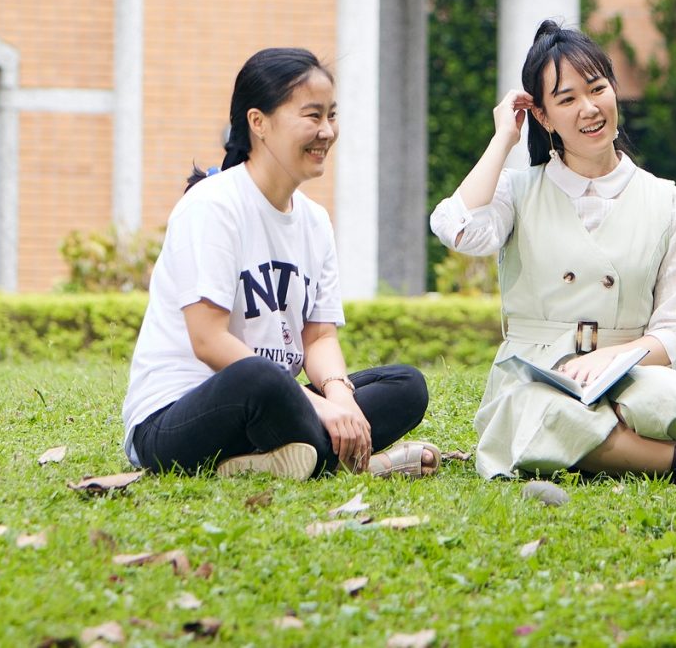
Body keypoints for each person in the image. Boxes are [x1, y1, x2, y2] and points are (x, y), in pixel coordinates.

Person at [431, 20, 676, 486]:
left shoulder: (666, 200)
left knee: (664, 400)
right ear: (542, 116)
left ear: (615, 90)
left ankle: (637, 449)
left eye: (597, 89)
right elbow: (455, 227)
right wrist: (504, 139)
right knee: (539, 412)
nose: (589, 108)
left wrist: (616, 359)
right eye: (566, 99)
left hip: (630, 371)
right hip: (538, 378)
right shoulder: (517, 191)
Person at [121, 47, 440, 481]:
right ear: (259, 123)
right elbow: (209, 340)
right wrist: (319, 407)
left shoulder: (314, 221)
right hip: (173, 419)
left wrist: (339, 396)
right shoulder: (213, 206)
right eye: (312, 116)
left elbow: (320, 336)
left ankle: (276, 460)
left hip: (278, 406)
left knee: (406, 386)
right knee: (260, 376)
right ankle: (362, 464)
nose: (326, 131)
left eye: (332, 115)